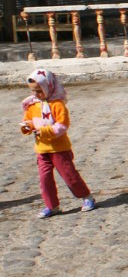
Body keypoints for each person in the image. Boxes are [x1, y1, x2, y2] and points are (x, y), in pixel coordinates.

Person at [20, 68, 96, 218]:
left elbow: (62, 125)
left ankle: (87, 197)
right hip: (42, 150)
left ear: (48, 87)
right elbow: (28, 120)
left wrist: (46, 131)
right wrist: (26, 127)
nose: (36, 94)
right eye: (33, 91)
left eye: (39, 91)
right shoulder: (32, 105)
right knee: (44, 179)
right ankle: (52, 205)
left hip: (59, 149)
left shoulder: (58, 105)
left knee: (69, 175)